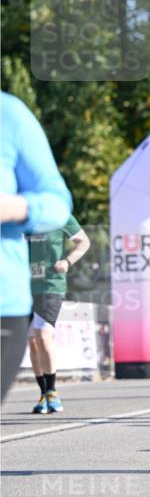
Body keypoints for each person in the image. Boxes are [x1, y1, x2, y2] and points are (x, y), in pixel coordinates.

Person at [1, 92, 72, 401]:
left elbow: (59, 204)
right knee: (39, 337)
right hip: (35, 285)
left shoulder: (9, 113)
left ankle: (50, 392)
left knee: (42, 335)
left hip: (11, 299)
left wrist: (16, 208)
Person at [28, 214, 90, 413]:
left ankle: (52, 391)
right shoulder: (21, 214)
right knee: (32, 340)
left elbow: (84, 242)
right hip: (24, 286)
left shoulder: (60, 214)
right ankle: (43, 393)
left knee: (42, 335)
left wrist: (67, 261)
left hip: (51, 284)